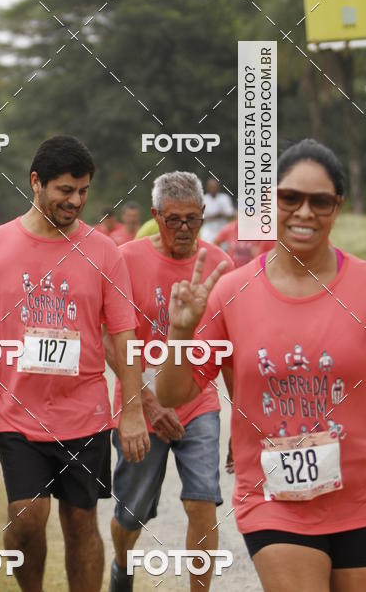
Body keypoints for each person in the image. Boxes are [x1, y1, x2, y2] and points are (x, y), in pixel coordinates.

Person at [157, 139, 366, 591]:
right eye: (290, 197)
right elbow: (172, 393)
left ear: (337, 207)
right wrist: (179, 333)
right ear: (269, 202)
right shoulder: (231, 291)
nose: (304, 212)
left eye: (320, 201)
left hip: (365, 498)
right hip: (275, 499)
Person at [0, 135, 149, 592]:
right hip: (16, 412)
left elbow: (124, 336)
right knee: (27, 518)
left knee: (81, 522)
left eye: (83, 191)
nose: (76, 201)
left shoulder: (104, 251)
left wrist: (132, 410)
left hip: (84, 413)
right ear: (36, 182)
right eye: (65, 190)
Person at [105, 172, 233, 592]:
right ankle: (122, 566)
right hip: (139, 401)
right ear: (156, 216)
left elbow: (230, 347)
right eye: (173, 219)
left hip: (198, 400)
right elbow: (109, 338)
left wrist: (243, 421)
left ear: (203, 215)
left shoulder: (220, 266)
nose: (183, 229)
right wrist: (147, 403)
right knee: (131, 513)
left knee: (202, 501)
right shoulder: (125, 259)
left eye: (192, 219)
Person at [200, 177, 234, 243]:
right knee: (207, 247)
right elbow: (202, 217)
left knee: (223, 248)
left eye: (215, 187)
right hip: (208, 230)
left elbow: (231, 214)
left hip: (222, 229)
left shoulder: (224, 198)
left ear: (218, 187)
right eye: (211, 187)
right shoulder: (203, 199)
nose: (213, 189)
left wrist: (218, 215)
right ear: (207, 188)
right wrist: (219, 214)